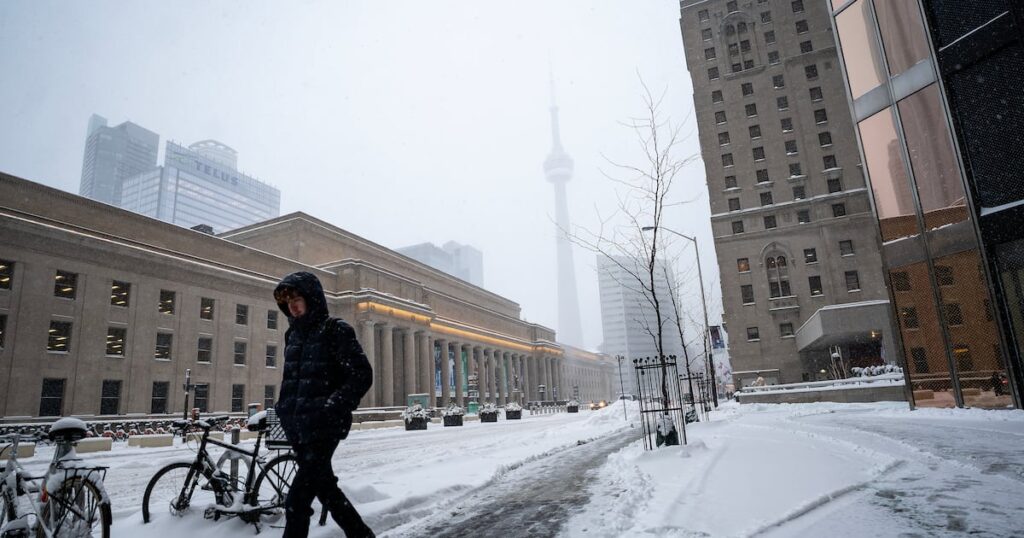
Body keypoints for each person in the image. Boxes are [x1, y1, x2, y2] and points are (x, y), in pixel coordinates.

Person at [273, 271, 374, 538]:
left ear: (312, 298)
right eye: (288, 301)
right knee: (326, 490)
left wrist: (333, 405)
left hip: (324, 428)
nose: (292, 305)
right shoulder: (291, 336)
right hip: (299, 429)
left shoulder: (335, 330)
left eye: (297, 298)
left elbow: (362, 374)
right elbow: (291, 381)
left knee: (296, 501)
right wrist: (283, 409)